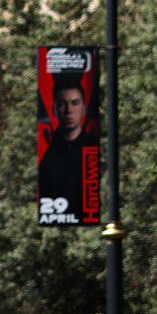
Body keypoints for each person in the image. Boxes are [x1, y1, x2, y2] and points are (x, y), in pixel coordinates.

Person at [37, 74, 99, 223]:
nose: (69, 110)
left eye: (75, 103)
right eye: (62, 104)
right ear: (55, 109)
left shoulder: (92, 147)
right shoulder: (47, 156)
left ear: (84, 108)